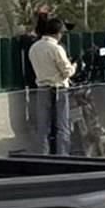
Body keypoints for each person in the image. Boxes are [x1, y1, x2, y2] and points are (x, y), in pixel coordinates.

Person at [28, 17, 76, 155]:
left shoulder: (34, 47)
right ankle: (63, 155)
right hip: (58, 88)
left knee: (43, 126)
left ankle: (43, 155)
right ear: (58, 32)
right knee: (62, 125)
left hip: (42, 88)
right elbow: (66, 72)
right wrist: (74, 66)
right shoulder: (56, 48)